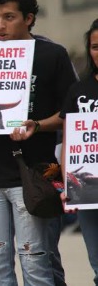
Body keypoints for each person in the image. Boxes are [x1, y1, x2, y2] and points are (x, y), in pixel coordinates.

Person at [0, 0, 77, 285]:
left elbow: (73, 116)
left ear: (29, 18)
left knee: (37, 259)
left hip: (39, 171)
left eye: (9, 17)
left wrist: (36, 125)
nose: (0, 25)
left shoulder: (53, 55)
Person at [59, 18, 98, 285]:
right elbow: (69, 140)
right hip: (88, 189)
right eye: (95, 46)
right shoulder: (79, 90)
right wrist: (67, 186)